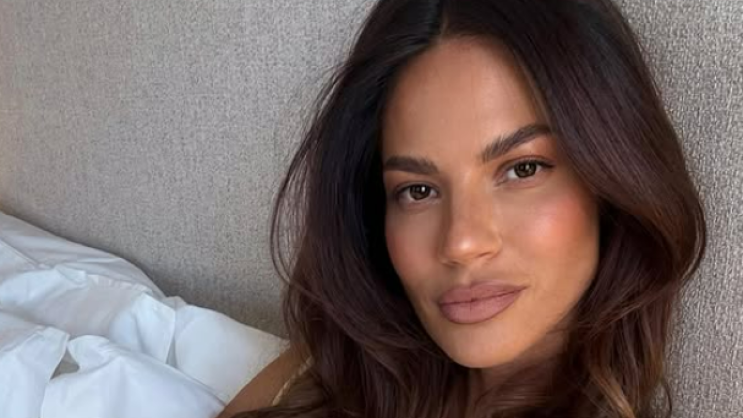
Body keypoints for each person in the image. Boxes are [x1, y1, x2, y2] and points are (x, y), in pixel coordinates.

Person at [219, 0, 707, 417]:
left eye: (523, 169)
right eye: (418, 191)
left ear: (612, 181)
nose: (461, 242)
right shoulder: (314, 380)